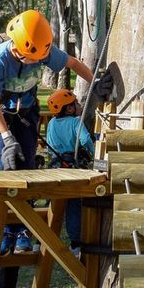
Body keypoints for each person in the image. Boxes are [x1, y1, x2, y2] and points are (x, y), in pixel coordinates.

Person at [0, 9, 95, 288]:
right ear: (16, 46)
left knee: (29, 170)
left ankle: (22, 237)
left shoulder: (44, 49)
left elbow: (72, 63)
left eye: (38, 59)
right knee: (10, 169)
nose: (33, 63)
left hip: (27, 112)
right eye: (27, 58)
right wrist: (5, 137)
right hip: (2, 113)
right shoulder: (1, 60)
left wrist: (95, 82)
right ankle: (6, 235)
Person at [43, 87, 95, 247]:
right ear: (69, 108)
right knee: (73, 205)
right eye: (76, 103)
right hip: (72, 167)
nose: (79, 106)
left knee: (51, 203)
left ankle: (42, 238)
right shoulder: (75, 122)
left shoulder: (51, 123)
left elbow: (49, 145)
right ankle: (75, 242)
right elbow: (85, 140)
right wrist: (93, 154)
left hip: (55, 167)